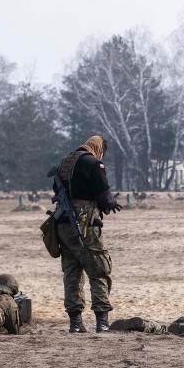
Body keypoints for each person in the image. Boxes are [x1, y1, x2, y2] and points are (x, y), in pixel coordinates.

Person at [53, 135, 123, 333]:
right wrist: (112, 203)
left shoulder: (65, 162)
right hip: (85, 225)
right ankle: (102, 322)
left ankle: (75, 324)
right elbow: (103, 193)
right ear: (99, 149)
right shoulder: (93, 163)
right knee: (99, 270)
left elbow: (56, 189)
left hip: (62, 224)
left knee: (72, 273)